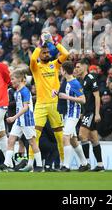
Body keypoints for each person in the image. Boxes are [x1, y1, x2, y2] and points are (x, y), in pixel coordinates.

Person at [27, 31, 69, 171]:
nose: (46, 54)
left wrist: (54, 42)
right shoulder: (36, 67)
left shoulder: (55, 65)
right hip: (40, 104)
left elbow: (66, 55)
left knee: (59, 135)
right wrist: (40, 45)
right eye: (43, 53)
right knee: (35, 135)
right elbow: (32, 59)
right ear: (39, 54)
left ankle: (63, 163)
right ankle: (32, 163)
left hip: (55, 104)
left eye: (47, 52)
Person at [0, 69, 42, 172]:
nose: (11, 81)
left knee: (32, 142)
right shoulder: (17, 92)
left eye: (13, 79)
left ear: (19, 79)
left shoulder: (25, 91)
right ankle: (7, 164)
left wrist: (13, 117)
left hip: (27, 120)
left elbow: (25, 107)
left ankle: (39, 166)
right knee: (11, 140)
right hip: (19, 121)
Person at [74, 58, 104, 171]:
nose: (76, 69)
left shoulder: (91, 78)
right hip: (86, 112)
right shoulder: (82, 80)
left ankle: (85, 163)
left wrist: (97, 113)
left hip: (91, 112)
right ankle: (100, 165)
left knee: (82, 135)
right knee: (94, 138)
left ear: (85, 66)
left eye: (78, 67)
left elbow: (97, 96)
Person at [58, 61, 88, 172]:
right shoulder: (66, 82)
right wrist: (57, 93)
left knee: (65, 137)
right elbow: (65, 95)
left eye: (61, 69)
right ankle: (84, 163)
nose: (60, 71)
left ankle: (66, 166)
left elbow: (83, 100)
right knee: (73, 140)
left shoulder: (74, 83)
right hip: (67, 114)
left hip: (73, 114)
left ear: (64, 71)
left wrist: (66, 97)